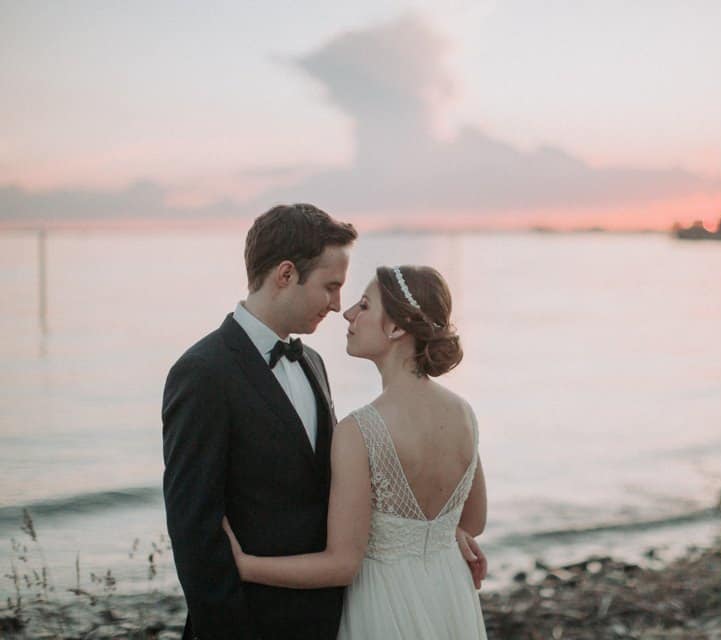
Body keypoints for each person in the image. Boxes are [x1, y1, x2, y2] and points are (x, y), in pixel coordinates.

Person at [162, 205, 486, 640]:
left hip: (335, 615)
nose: (339, 306)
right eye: (331, 287)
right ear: (285, 274)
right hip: (253, 623)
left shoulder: (312, 364)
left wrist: (439, 537)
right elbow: (195, 532)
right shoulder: (203, 373)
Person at [223, 265, 488, 639]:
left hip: (384, 602)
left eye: (364, 305)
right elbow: (474, 520)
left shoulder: (360, 431)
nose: (348, 313)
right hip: (449, 592)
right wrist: (444, 535)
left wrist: (245, 566)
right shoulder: (464, 414)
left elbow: (342, 565)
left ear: (396, 328)